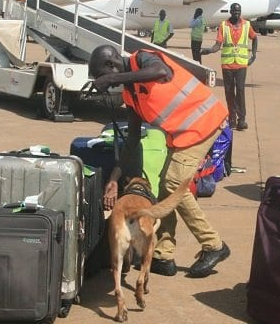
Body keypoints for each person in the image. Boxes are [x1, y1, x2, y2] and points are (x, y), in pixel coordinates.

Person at [88, 44, 230, 278]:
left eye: (104, 77)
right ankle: (163, 255)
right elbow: (132, 140)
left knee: (174, 184)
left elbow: (160, 72)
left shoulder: (143, 59)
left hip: (205, 122)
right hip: (184, 135)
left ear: (112, 65)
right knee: (164, 187)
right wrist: (114, 178)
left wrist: (115, 78)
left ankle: (213, 244)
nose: (108, 84)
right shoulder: (130, 94)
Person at [201, 2, 257, 131]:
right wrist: (208, 51)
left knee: (241, 91)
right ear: (230, 12)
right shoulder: (223, 25)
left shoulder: (247, 25)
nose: (237, 13)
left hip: (241, 64)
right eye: (234, 11)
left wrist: (253, 55)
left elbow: (254, 38)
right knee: (229, 92)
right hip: (227, 65)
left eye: (239, 11)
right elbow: (217, 45)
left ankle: (241, 119)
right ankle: (232, 118)